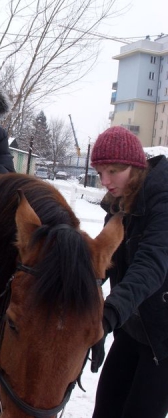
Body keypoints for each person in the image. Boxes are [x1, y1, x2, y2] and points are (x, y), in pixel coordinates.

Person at [89, 126, 168, 418]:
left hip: (163, 337)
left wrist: (108, 316)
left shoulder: (163, 199)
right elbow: (104, 260)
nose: (105, 181)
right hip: (133, 327)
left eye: (113, 171)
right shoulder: (121, 203)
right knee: (106, 410)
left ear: (135, 167)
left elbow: (150, 264)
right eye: (100, 172)